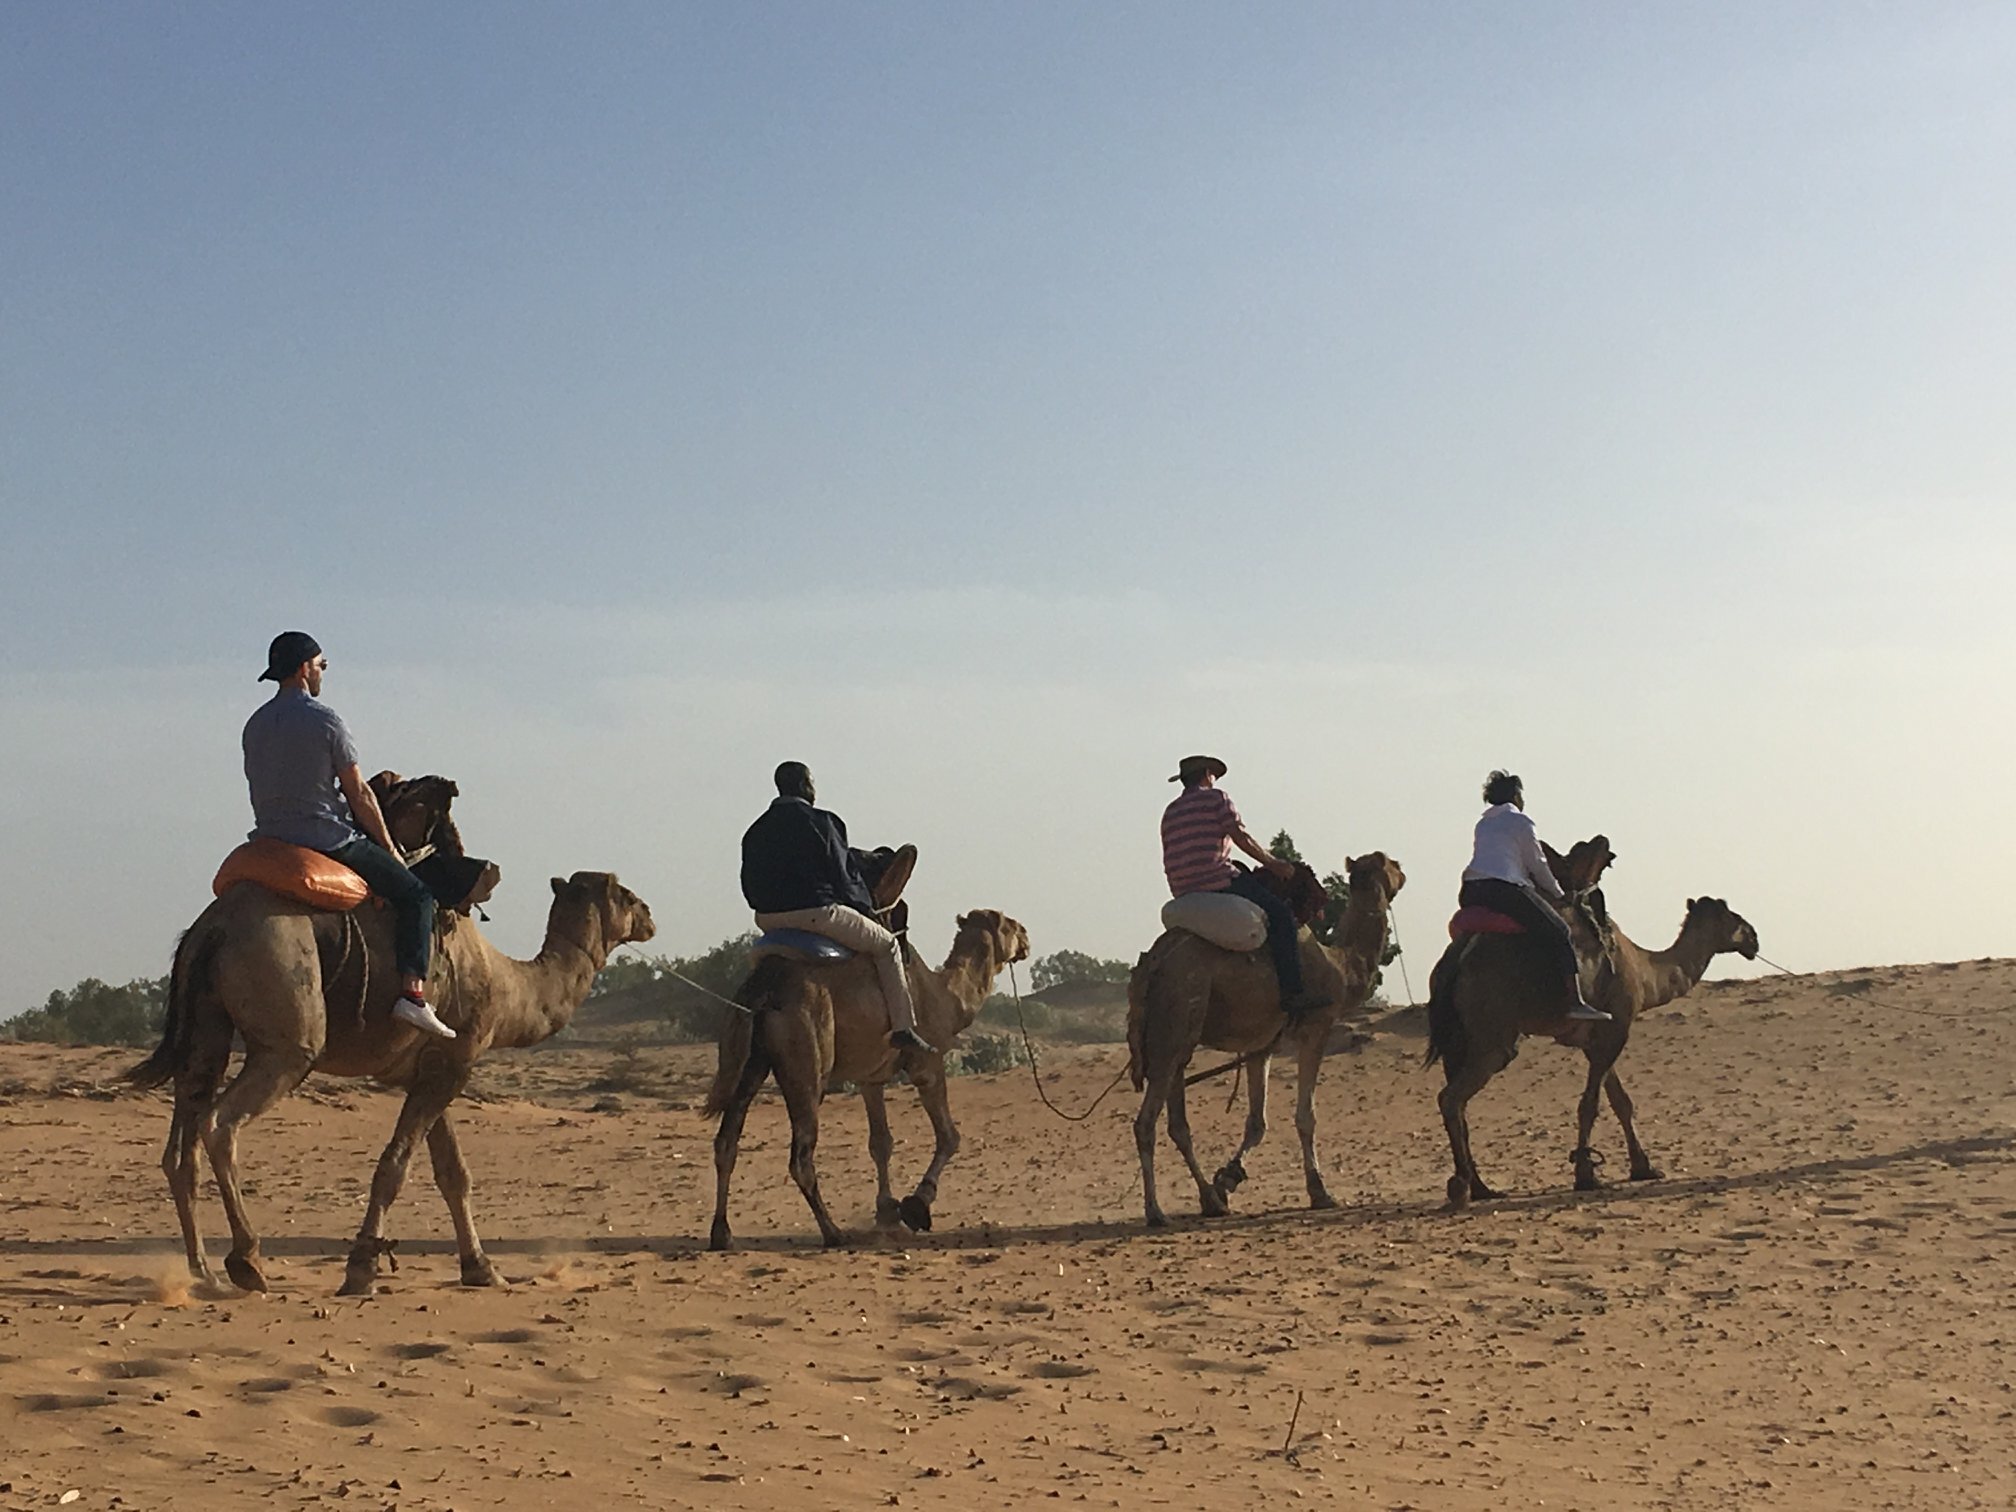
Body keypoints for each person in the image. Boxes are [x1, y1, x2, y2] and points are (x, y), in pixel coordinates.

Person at [242, 631, 456, 1039]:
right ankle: (412, 995)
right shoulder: (325, 720)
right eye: (322, 666)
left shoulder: (254, 725)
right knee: (417, 895)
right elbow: (357, 792)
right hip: (327, 839)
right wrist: (390, 849)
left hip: (268, 839)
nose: (323, 674)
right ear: (306, 669)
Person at [740, 762, 930, 1053]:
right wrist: (863, 907)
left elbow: (747, 883)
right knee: (887, 946)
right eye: (812, 781)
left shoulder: (754, 831)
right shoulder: (824, 823)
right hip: (817, 914)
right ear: (804, 784)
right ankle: (903, 1028)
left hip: (767, 920)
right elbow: (844, 876)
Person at [1161, 755, 1324, 1016]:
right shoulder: (1217, 799)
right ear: (1206, 775)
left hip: (1182, 890)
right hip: (1217, 881)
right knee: (1281, 916)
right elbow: (1241, 836)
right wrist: (1275, 865)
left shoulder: (1170, 811)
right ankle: (1293, 994)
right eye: (1213, 775)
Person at [1459, 770, 1610, 1022]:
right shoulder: (1521, 822)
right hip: (1504, 889)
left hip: (1471, 890)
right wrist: (1560, 894)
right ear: (1516, 795)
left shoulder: (1483, 824)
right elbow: (1537, 865)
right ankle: (1574, 1001)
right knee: (1560, 931)